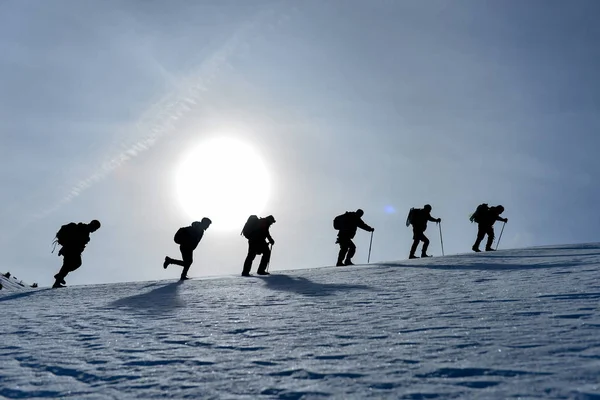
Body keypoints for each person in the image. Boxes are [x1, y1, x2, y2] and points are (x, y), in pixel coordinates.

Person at [52, 219, 101, 288]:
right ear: (92, 225)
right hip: (70, 250)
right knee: (68, 265)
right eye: (95, 228)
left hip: (73, 251)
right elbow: (72, 240)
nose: (94, 230)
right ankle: (58, 280)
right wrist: (63, 249)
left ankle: (59, 277)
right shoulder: (82, 229)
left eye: (96, 229)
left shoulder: (85, 232)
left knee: (72, 264)